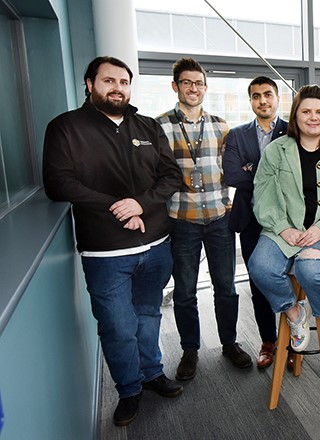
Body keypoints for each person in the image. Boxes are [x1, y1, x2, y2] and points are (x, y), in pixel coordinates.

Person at [42, 56, 183, 426]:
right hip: (104, 252)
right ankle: (129, 389)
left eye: (123, 81)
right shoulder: (65, 128)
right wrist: (117, 207)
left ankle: (152, 373)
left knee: (149, 315)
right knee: (117, 325)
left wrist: (141, 203)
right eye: (108, 80)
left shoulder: (148, 126)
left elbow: (170, 177)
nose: (117, 87)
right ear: (90, 84)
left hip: (156, 246)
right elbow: (58, 183)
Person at [156, 58, 252, 381]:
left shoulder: (221, 126)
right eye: (186, 82)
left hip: (219, 220)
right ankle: (190, 349)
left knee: (226, 287)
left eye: (198, 83)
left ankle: (229, 343)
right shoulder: (160, 127)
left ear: (205, 88)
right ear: (175, 86)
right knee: (184, 291)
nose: (193, 88)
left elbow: (234, 167)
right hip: (181, 220)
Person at [247, 85, 320, 352]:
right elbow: (263, 195)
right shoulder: (276, 150)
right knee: (260, 267)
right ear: (295, 116)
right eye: (306, 111)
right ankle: (295, 314)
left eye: (319, 111)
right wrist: (283, 228)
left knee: (312, 272)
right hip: (282, 229)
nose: (313, 117)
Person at [222, 76, 290, 369]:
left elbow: (298, 177)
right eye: (256, 96)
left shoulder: (293, 130)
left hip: (288, 220)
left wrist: (253, 168)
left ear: (277, 98)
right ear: (250, 101)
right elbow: (233, 176)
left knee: (289, 279)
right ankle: (269, 340)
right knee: (258, 280)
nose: (262, 100)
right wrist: (271, 175)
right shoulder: (237, 135)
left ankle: (292, 340)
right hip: (250, 219)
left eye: (268, 94)